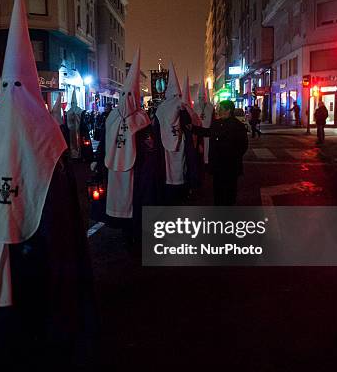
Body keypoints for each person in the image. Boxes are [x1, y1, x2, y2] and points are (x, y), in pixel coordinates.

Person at [0, 0, 95, 367]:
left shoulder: (27, 135)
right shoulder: (37, 132)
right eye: (4, 86)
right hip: (15, 246)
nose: (10, 93)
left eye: (13, 86)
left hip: (29, 248)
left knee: (26, 305)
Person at [101, 48, 165, 246]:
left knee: (136, 204)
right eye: (124, 94)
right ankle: (127, 233)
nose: (126, 98)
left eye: (130, 94)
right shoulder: (112, 118)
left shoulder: (142, 119)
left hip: (137, 171)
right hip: (115, 171)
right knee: (121, 204)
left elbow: (150, 146)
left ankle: (136, 236)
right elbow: (104, 143)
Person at [193, 100, 248, 206]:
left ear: (228, 110)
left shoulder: (238, 126)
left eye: (221, 109)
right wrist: (193, 128)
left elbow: (243, 146)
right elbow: (207, 132)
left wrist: (230, 155)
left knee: (229, 192)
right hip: (217, 165)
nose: (218, 111)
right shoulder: (217, 123)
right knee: (218, 192)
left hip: (230, 166)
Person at [154, 62, 188, 205]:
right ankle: (180, 194)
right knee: (179, 167)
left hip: (164, 143)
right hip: (180, 143)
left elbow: (155, 126)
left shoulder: (161, 108)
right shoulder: (182, 107)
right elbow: (188, 124)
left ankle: (168, 194)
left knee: (168, 170)